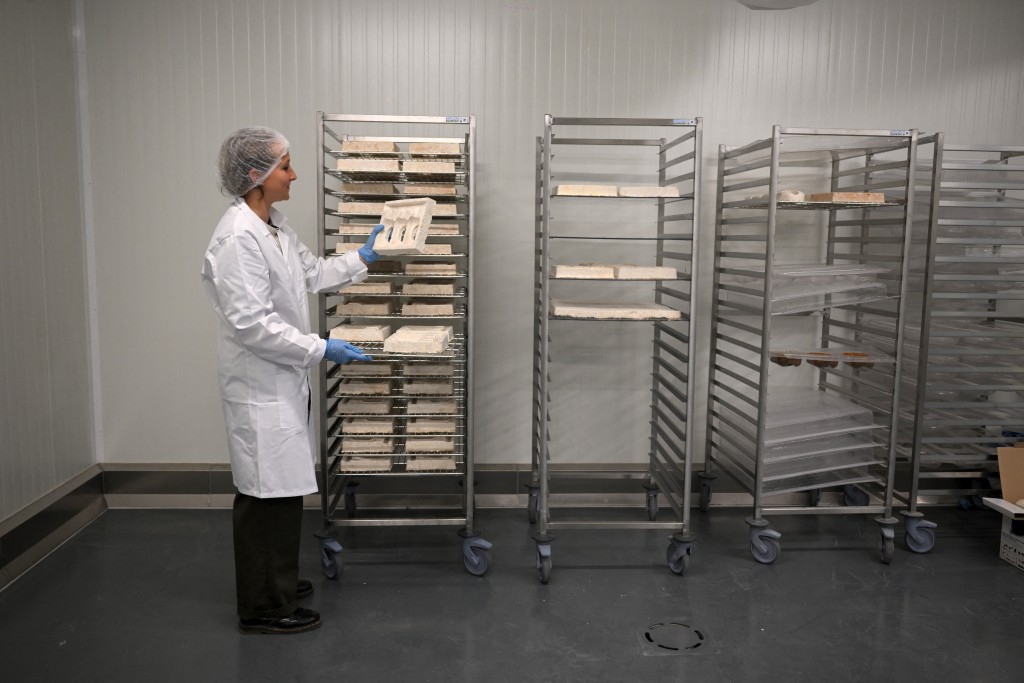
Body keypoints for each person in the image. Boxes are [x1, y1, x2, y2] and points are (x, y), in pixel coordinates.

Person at [201, 126, 384, 635]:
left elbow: (311, 274)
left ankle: (275, 580)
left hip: (282, 380)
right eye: (285, 167)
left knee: (280, 493)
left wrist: (363, 258)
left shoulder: (273, 227)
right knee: (264, 496)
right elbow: (253, 326)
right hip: (259, 385)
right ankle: (263, 605)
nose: (294, 175)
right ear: (256, 175)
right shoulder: (238, 239)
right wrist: (322, 348)